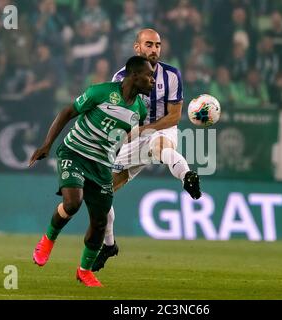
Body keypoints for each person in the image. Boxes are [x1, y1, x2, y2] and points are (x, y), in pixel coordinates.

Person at [29, 56, 155, 287]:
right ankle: (48, 239)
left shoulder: (139, 110)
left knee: (99, 223)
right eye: (149, 76)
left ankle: (84, 271)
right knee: (72, 204)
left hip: (101, 166)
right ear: (134, 75)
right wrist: (47, 145)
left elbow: (120, 140)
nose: (152, 81)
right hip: (74, 153)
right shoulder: (100, 92)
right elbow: (68, 112)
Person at [91, 28, 201, 272]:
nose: (154, 49)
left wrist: (145, 129)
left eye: (158, 45)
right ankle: (109, 245)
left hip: (160, 128)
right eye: (149, 44)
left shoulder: (171, 75)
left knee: (159, 144)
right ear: (137, 48)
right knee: (102, 192)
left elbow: (174, 116)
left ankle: (187, 176)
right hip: (131, 137)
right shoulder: (120, 78)